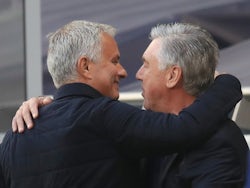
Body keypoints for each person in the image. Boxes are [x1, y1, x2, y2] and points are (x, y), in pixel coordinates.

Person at [0, 20, 242, 188]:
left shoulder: (15, 137)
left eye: (145, 64)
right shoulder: (108, 119)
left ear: (173, 75)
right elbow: (186, 127)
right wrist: (227, 83)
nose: (127, 72)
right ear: (85, 66)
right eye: (115, 60)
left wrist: (52, 105)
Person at [134, 23, 248, 187]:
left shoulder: (219, 145)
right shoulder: (148, 128)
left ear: (173, 75)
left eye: (146, 64)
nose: (138, 75)